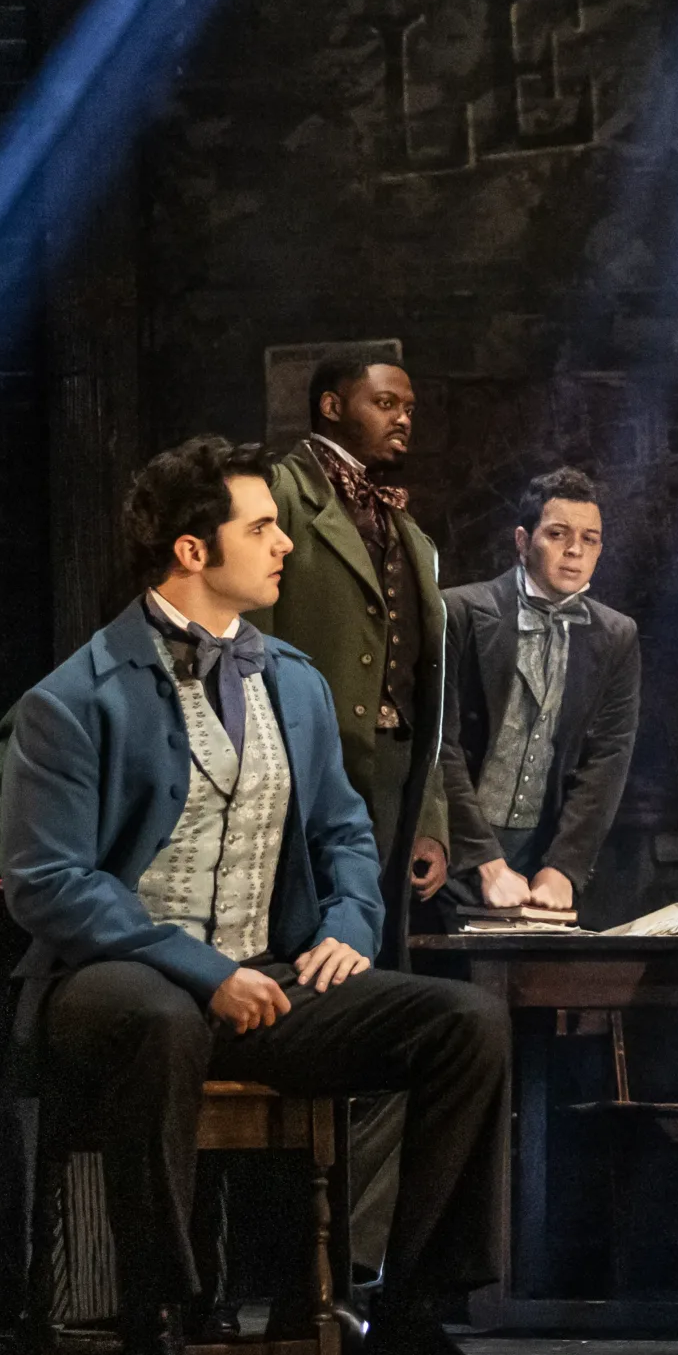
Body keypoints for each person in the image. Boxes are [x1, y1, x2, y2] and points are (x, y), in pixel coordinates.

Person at [1, 436, 519, 1355]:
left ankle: (409, 1320)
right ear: (193, 552)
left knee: (467, 1023)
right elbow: (49, 882)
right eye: (262, 527)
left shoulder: (293, 679)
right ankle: (154, 1325)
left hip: (272, 970)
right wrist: (201, 970)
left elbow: (342, 829)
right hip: (112, 977)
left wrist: (350, 925)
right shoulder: (76, 696)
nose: (284, 544)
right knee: (165, 1020)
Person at [248, 356, 448, 960]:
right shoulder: (279, 494)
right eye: (386, 404)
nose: (403, 419)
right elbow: (247, 645)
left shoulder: (407, 530)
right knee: (302, 946)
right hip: (302, 761)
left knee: (378, 946)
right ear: (332, 406)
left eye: (409, 409)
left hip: (394, 769)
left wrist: (430, 819)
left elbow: (426, 689)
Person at [434, 467, 640, 925]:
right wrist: (484, 859)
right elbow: (439, 745)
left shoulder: (616, 634)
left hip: (544, 854)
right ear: (523, 541)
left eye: (590, 539)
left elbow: (608, 757)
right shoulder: (460, 612)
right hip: (455, 845)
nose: (575, 550)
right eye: (558, 534)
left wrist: (564, 866)